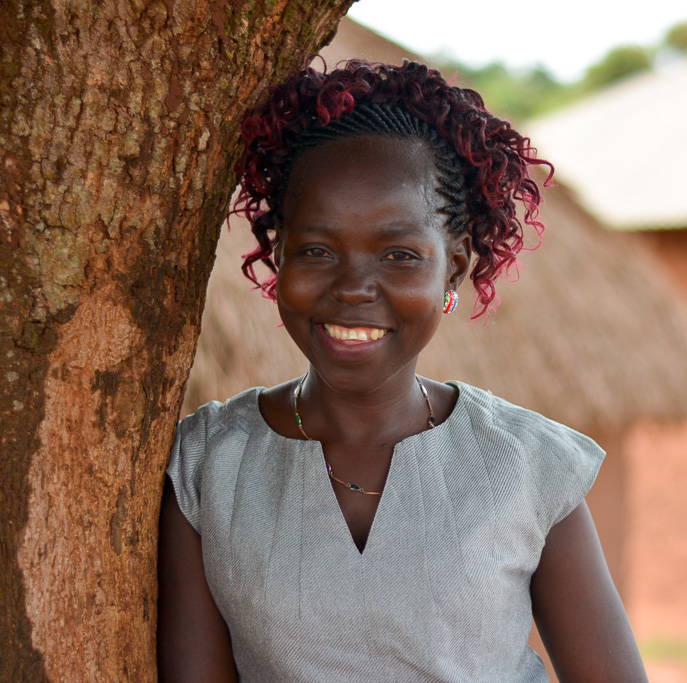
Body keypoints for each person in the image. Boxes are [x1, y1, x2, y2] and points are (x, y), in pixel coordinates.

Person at [158, 59, 648, 682]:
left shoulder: (526, 468)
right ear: (277, 258)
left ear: (455, 269)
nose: (355, 288)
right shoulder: (207, 467)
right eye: (316, 250)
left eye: (399, 255)